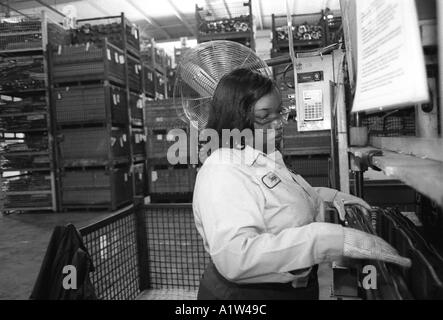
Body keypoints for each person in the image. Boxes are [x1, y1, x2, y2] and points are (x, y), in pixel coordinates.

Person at [192, 68, 411, 300]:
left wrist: (328, 197)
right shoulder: (222, 169)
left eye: (279, 113)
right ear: (235, 117)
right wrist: (325, 240)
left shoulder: (263, 157)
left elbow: (275, 201)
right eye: (265, 116)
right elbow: (236, 257)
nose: (277, 124)